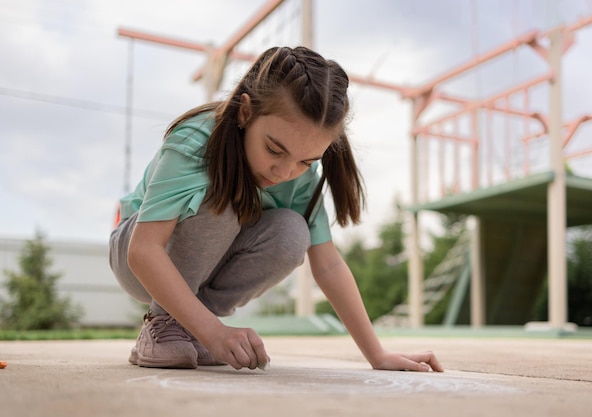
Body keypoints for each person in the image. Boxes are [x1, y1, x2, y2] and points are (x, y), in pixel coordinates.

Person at [109, 46, 443, 373]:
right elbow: (143, 250)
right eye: (274, 149)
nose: (284, 172)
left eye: (306, 161)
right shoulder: (196, 139)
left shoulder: (301, 179)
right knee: (225, 200)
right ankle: (163, 325)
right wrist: (215, 332)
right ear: (245, 112)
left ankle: (188, 328)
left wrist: (378, 355)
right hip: (138, 254)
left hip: (194, 274)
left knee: (291, 231)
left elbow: (327, 266)